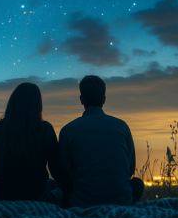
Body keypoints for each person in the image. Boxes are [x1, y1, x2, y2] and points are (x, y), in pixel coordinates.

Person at [58, 75, 144, 208]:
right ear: (104, 100)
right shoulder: (122, 126)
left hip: (82, 204)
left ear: (81, 100)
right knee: (137, 183)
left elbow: (66, 175)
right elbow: (130, 169)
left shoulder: (67, 131)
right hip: (123, 203)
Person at [0, 82, 71, 205]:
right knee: (55, 185)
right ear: (37, 105)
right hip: (37, 197)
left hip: (3, 197)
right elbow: (57, 171)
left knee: (51, 183)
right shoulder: (45, 129)